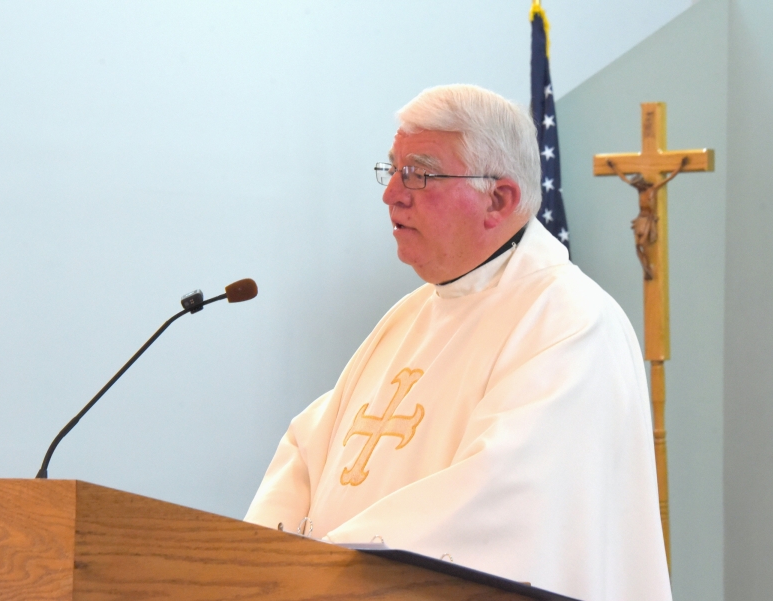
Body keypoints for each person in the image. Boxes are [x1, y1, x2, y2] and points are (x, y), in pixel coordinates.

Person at [245, 84, 672, 601]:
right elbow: (308, 449)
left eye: (419, 174)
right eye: (393, 169)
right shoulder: (409, 317)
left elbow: (504, 498)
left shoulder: (569, 321)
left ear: (499, 198)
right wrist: (264, 563)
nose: (392, 194)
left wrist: (322, 575)